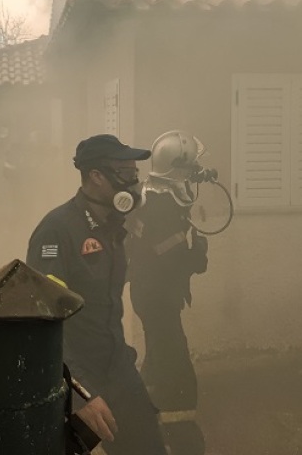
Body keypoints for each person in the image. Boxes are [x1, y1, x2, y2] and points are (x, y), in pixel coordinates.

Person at [26, 134, 167, 455]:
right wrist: (77, 395)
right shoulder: (57, 230)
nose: (134, 184)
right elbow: (43, 320)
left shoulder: (115, 227)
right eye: (126, 175)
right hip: (75, 375)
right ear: (96, 177)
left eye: (136, 175)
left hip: (117, 366)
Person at [126, 131, 211, 455]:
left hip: (151, 295)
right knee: (176, 371)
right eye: (191, 168)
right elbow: (168, 257)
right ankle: (179, 438)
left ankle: (139, 412)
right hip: (157, 296)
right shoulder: (161, 205)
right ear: (177, 169)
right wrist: (197, 256)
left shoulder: (157, 195)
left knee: (159, 356)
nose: (195, 174)